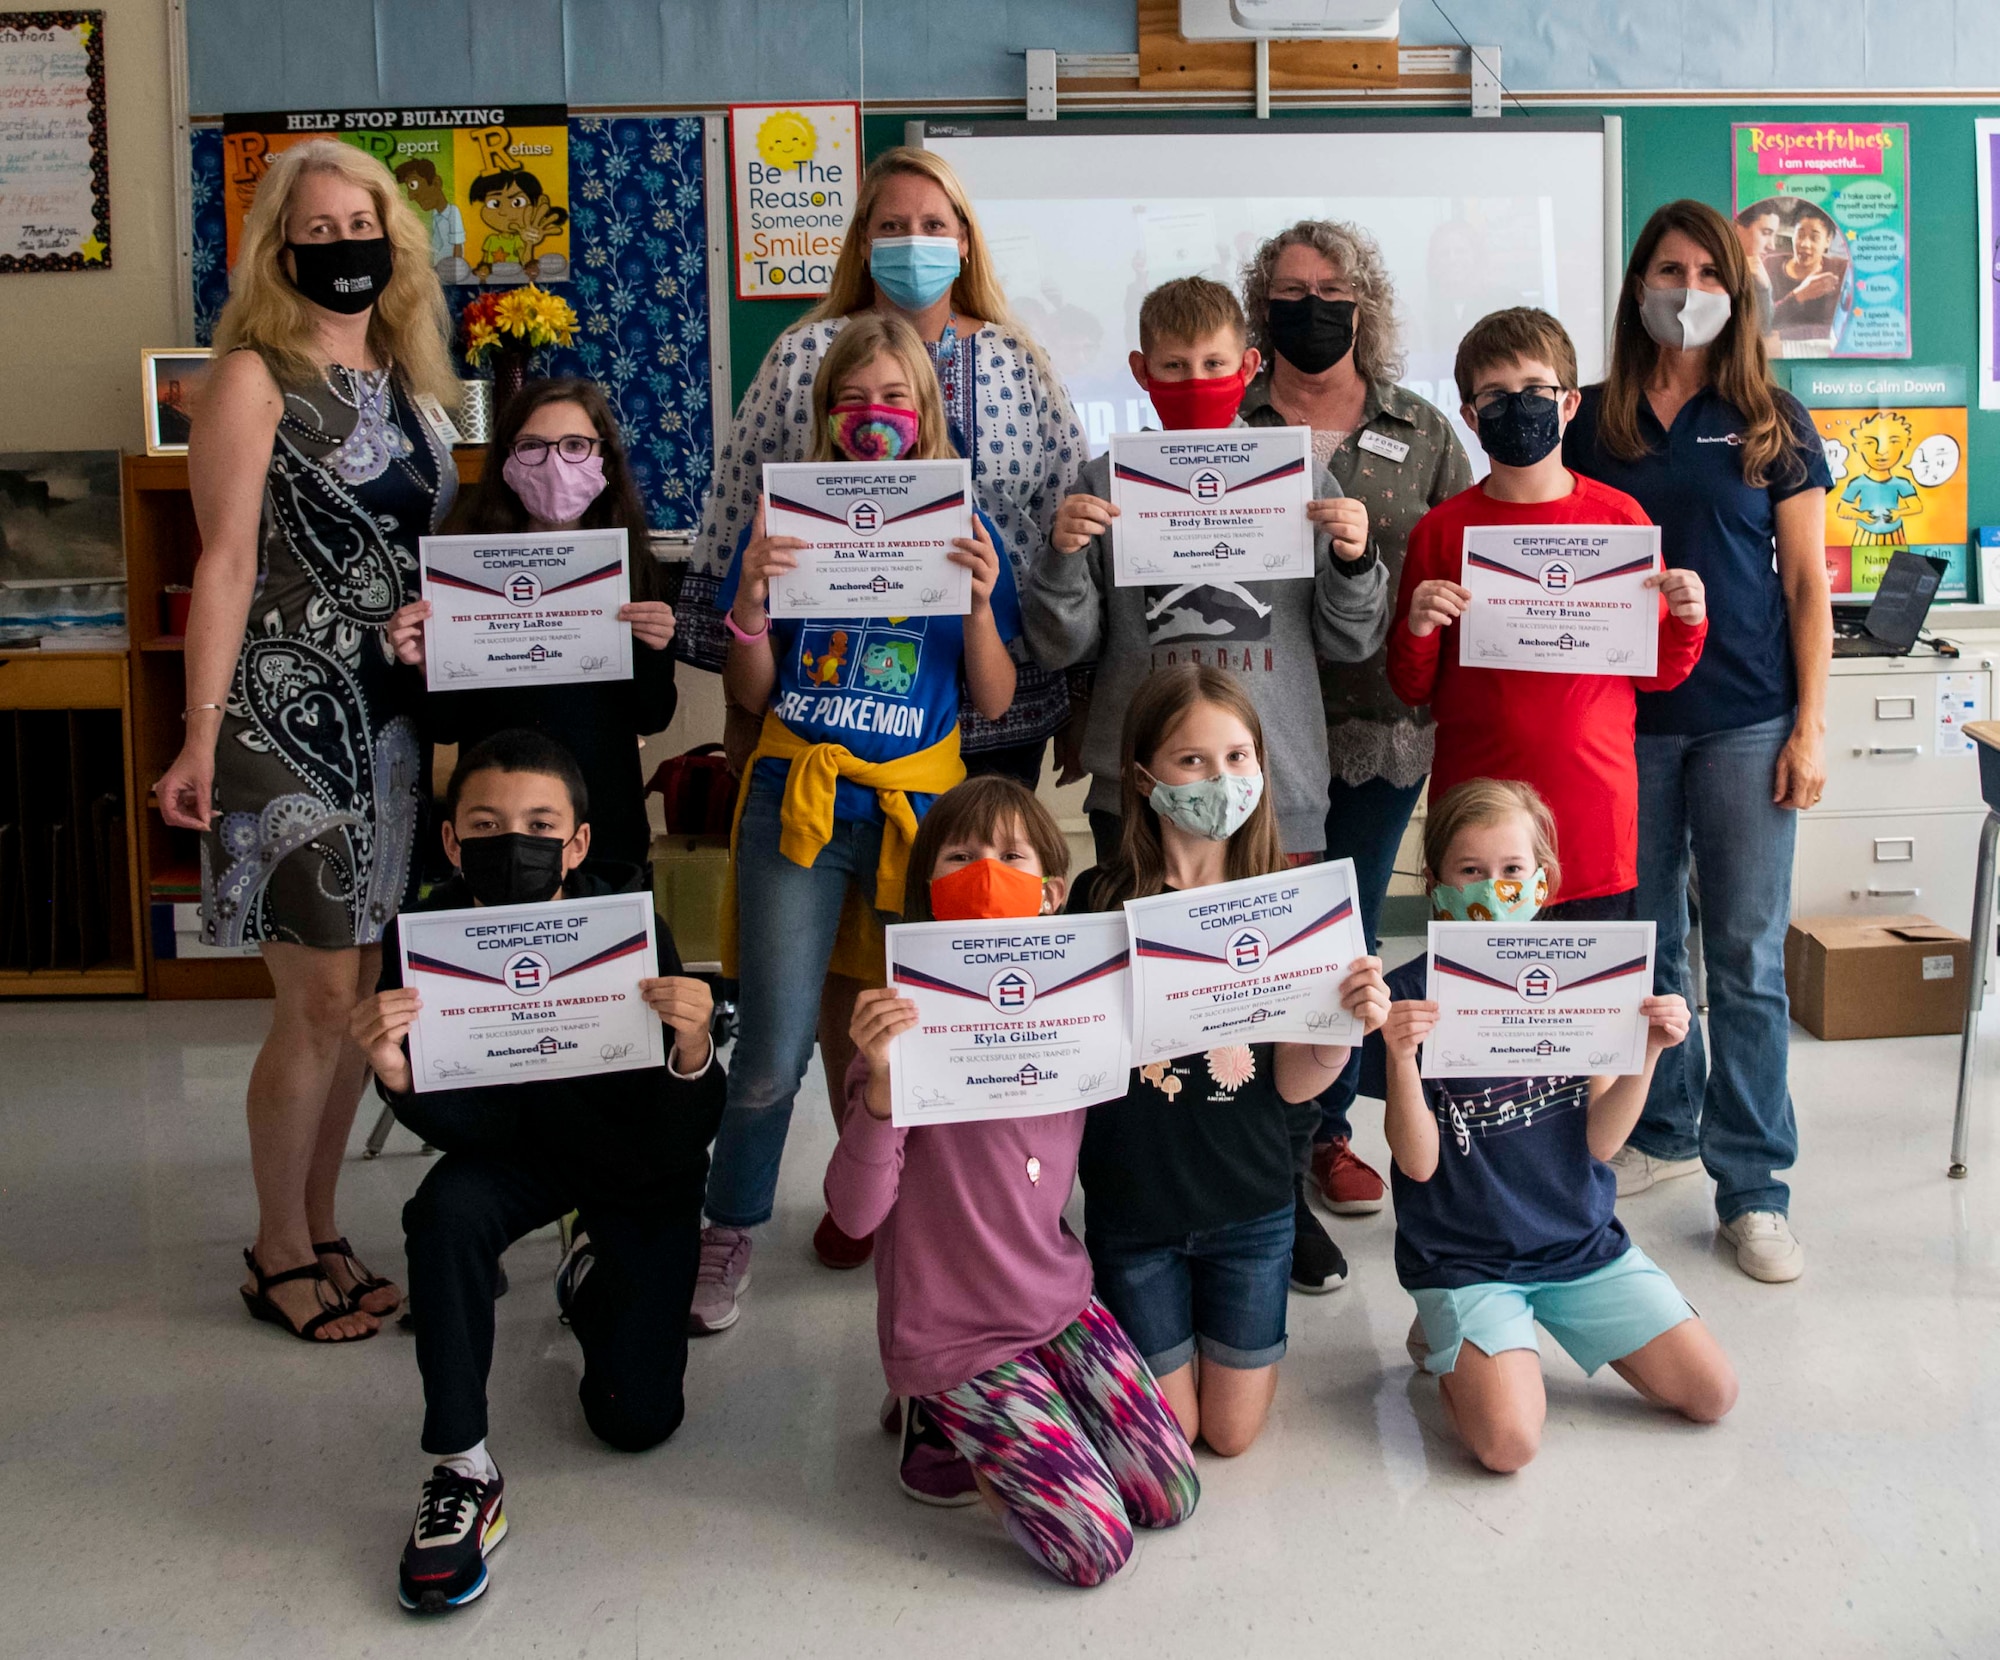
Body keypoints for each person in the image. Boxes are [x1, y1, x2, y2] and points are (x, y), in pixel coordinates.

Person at [1022, 273, 1386, 1294]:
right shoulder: (1103, 478)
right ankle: (1140, 1204)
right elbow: (1063, 641)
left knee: (1287, 1001)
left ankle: (1274, 1193)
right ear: (1139, 374)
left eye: (1215, 366)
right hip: (1140, 798)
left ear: (1249, 368)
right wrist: (1060, 556)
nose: (1195, 382)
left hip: (1276, 786)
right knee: (1152, 1012)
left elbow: (1351, 638)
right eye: (1172, 369)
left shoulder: (1301, 478)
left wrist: (1353, 557)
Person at [153, 139, 461, 1343]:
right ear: (281, 247)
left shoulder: (412, 375)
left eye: (361, 224)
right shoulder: (249, 375)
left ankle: (324, 1223)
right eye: (318, 230)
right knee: (316, 993)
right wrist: (196, 738)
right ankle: (275, 1246)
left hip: (388, 721)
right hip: (278, 714)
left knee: (359, 996)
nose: (344, 247)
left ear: (394, 238)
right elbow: (223, 562)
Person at [695, 312, 1021, 1334]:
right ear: (823, 413)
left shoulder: (966, 526)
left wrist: (974, 603)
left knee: (909, 1038)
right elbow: (750, 690)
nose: (870, 418)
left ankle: (879, 1208)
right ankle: (730, 1223)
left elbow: (997, 701)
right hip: (797, 801)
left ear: (925, 411)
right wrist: (749, 601)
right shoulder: (781, 519)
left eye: (892, 400)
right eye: (851, 401)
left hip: (918, 815)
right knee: (773, 1049)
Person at [349, 729, 722, 1613]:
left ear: (579, 843)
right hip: (516, 1155)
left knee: (637, 1422)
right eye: (484, 823)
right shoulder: (423, 940)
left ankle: (589, 1265)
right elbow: (467, 1128)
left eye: (538, 823)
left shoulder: (633, 923)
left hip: (635, 1167)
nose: (510, 841)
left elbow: (685, 1135)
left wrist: (695, 1048)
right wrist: (399, 1076)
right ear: (450, 840)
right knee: (444, 1212)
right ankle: (461, 1470)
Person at [827, 775, 1200, 1586]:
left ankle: (1011, 1409)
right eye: (960, 858)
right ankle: (937, 1410)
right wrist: (883, 1093)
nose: (985, 870)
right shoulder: (897, 1031)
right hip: (950, 1327)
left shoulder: (1081, 1012)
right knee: (1097, 1551)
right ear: (928, 891)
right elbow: (854, 1217)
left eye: (1009, 856)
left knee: (1170, 1493)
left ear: (1051, 892)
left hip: (1054, 1295)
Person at [1562, 199, 1833, 1284]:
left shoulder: (1771, 418)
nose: (1684, 288)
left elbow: (1808, 586)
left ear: (1736, 289)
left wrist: (1810, 726)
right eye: (1665, 269)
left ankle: (1754, 1185)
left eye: (1704, 270)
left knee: (1744, 957)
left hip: (1744, 718)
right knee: (1643, 946)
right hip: (1619, 723)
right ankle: (1662, 1129)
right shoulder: (1588, 419)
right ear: (1636, 287)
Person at [1364, 777, 1738, 1473]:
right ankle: (1458, 1341)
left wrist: (1648, 1053)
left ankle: (1495, 1340)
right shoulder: (1412, 993)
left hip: (1578, 1242)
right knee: (1508, 1445)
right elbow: (1416, 1166)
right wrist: (1400, 1057)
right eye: (1469, 872)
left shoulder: (1584, 976)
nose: (1491, 888)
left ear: (1544, 880)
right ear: (1436, 884)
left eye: (1512, 871)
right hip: (1467, 1256)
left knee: (1713, 1394)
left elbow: (1601, 1142)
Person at [685, 145, 1084, 789]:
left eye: (933, 225)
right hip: (838, 699)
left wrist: (1081, 691)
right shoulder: (800, 356)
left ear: (963, 243)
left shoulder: (1018, 359)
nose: (913, 240)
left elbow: (1065, 526)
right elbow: (738, 512)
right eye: (891, 226)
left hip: (1005, 692)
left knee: (972, 884)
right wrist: (738, 706)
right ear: (863, 244)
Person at [1072, 665, 1389, 1456]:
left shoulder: (1295, 905)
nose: (1221, 779)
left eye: (1239, 757)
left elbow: (1292, 1084)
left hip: (1251, 1213)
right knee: (1175, 1433)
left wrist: (1340, 1028)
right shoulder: (1096, 902)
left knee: (1234, 1436)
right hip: (1134, 1216)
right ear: (1143, 777)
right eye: (1193, 761)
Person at [1237, 220, 1475, 1238]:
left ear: (1362, 305)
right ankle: (1242, 1123)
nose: (1309, 304)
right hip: (1249, 723)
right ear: (1261, 308)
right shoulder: (1222, 421)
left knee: (1346, 931)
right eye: (1287, 290)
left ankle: (1323, 1129)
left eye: (1329, 288)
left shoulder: (1418, 428)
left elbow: (1475, 557)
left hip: (1382, 722)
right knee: (1246, 932)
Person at [1388, 306, 1709, 922]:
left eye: (1535, 391)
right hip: (1475, 838)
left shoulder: (1621, 522)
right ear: (1470, 417)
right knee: (1479, 1008)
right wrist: (1419, 629)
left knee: (1593, 1006)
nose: (1518, 407)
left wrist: (1689, 620)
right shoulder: (1441, 530)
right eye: (1496, 395)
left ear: (1568, 406)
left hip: (1592, 820)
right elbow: (1411, 686)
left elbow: (1657, 676)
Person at [386, 377, 679, 870]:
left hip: (603, 825)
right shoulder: (462, 569)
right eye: (531, 447)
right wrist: (420, 666)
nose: (554, 463)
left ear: (602, 456)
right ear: (506, 459)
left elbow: (653, 717)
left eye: (575, 446)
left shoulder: (636, 568)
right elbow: (445, 725)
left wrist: (652, 649)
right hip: (493, 826)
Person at [1766, 205, 1845, 341]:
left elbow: (1837, 326)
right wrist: (1798, 296)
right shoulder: (1770, 265)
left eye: (1814, 238)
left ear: (1828, 241)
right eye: (1800, 235)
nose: (1805, 244)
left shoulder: (1840, 269)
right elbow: (1762, 320)